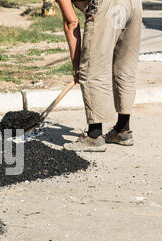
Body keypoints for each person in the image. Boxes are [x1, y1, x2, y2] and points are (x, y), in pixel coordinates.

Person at [56, 0, 142, 152]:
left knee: (91, 70)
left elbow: (71, 22)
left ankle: (94, 136)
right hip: (133, 5)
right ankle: (122, 131)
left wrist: (76, 65)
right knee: (124, 68)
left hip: (107, 4)